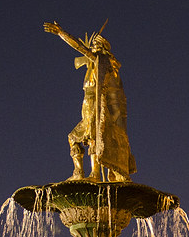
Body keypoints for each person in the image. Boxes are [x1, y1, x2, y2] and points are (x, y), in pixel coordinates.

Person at [43, 20, 136, 182]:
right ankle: (78, 172)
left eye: (94, 45)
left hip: (95, 104)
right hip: (87, 104)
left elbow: (80, 48)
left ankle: (95, 174)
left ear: (101, 48)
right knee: (73, 138)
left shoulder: (102, 60)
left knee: (94, 136)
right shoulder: (95, 65)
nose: (91, 48)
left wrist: (61, 33)